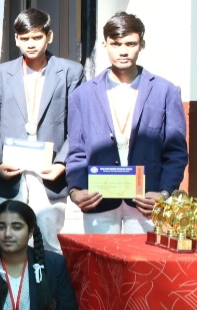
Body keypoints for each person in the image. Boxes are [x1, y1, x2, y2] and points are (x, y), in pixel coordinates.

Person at [66, 12, 188, 234]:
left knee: (143, 258)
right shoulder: (82, 95)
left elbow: (176, 152)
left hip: (147, 200)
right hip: (98, 198)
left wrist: (164, 193)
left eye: (130, 44)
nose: (123, 51)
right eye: (116, 44)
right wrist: (75, 190)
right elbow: (76, 151)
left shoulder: (165, 92)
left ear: (142, 44)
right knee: (100, 257)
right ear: (105, 44)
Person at [0, 9, 84, 252]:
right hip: (10, 168)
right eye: (25, 38)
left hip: (49, 169)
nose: (31, 44)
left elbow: (78, 125)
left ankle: (49, 278)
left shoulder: (71, 72)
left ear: (49, 36)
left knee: (49, 240)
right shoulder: (1, 73)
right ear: (16, 39)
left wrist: (62, 163)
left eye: (37, 37)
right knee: (7, 240)